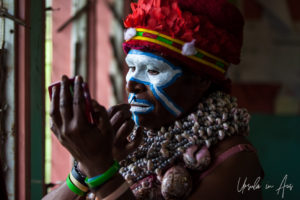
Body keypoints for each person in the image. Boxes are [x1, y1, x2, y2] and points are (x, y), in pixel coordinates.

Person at [43, 0, 264, 199]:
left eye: (153, 71)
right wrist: (83, 168)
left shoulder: (236, 160)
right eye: (132, 67)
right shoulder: (130, 143)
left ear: (201, 80)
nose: (131, 84)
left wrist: (99, 167)